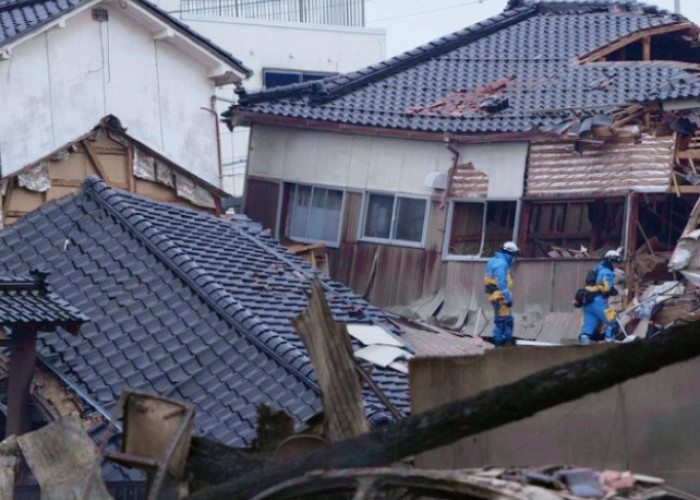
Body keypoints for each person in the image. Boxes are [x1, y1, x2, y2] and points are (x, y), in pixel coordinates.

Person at [578, 250, 622, 345]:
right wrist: (618, 292)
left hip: (588, 300)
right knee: (613, 322)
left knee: (587, 329)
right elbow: (607, 289)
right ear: (611, 261)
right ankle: (609, 345)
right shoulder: (608, 272)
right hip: (598, 302)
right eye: (616, 263)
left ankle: (582, 348)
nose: (617, 265)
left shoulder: (598, 267)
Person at [484, 241, 519, 346]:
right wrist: (508, 299)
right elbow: (502, 283)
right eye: (513, 255)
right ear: (509, 254)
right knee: (502, 322)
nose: (513, 258)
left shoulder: (493, 261)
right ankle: (499, 344)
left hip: (495, 296)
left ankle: (506, 341)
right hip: (500, 297)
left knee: (507, 320)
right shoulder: (502, 264)